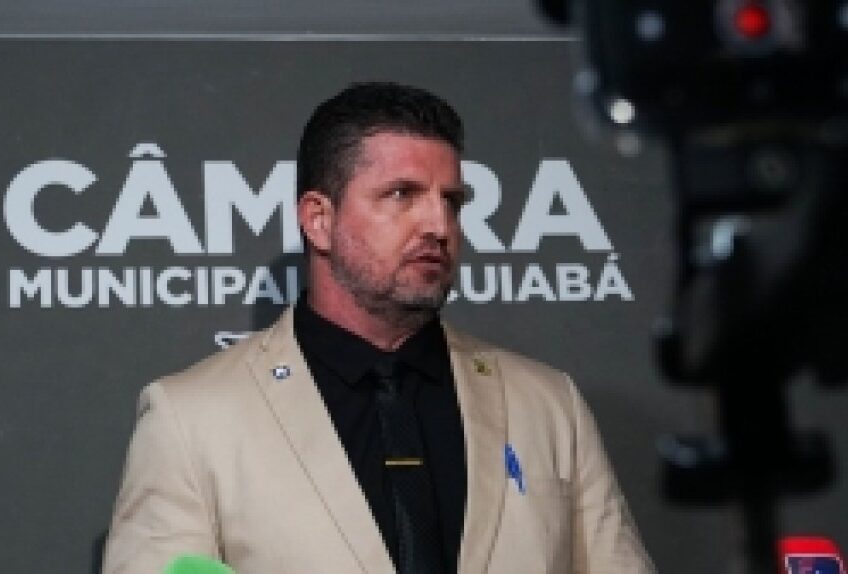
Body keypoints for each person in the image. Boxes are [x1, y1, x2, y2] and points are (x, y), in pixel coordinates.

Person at [102, 82, 655, 574]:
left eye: (452, 201)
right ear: (319, 219)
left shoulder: (550, 405)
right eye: (401, 195)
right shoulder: (191, 419)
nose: (438, 224)